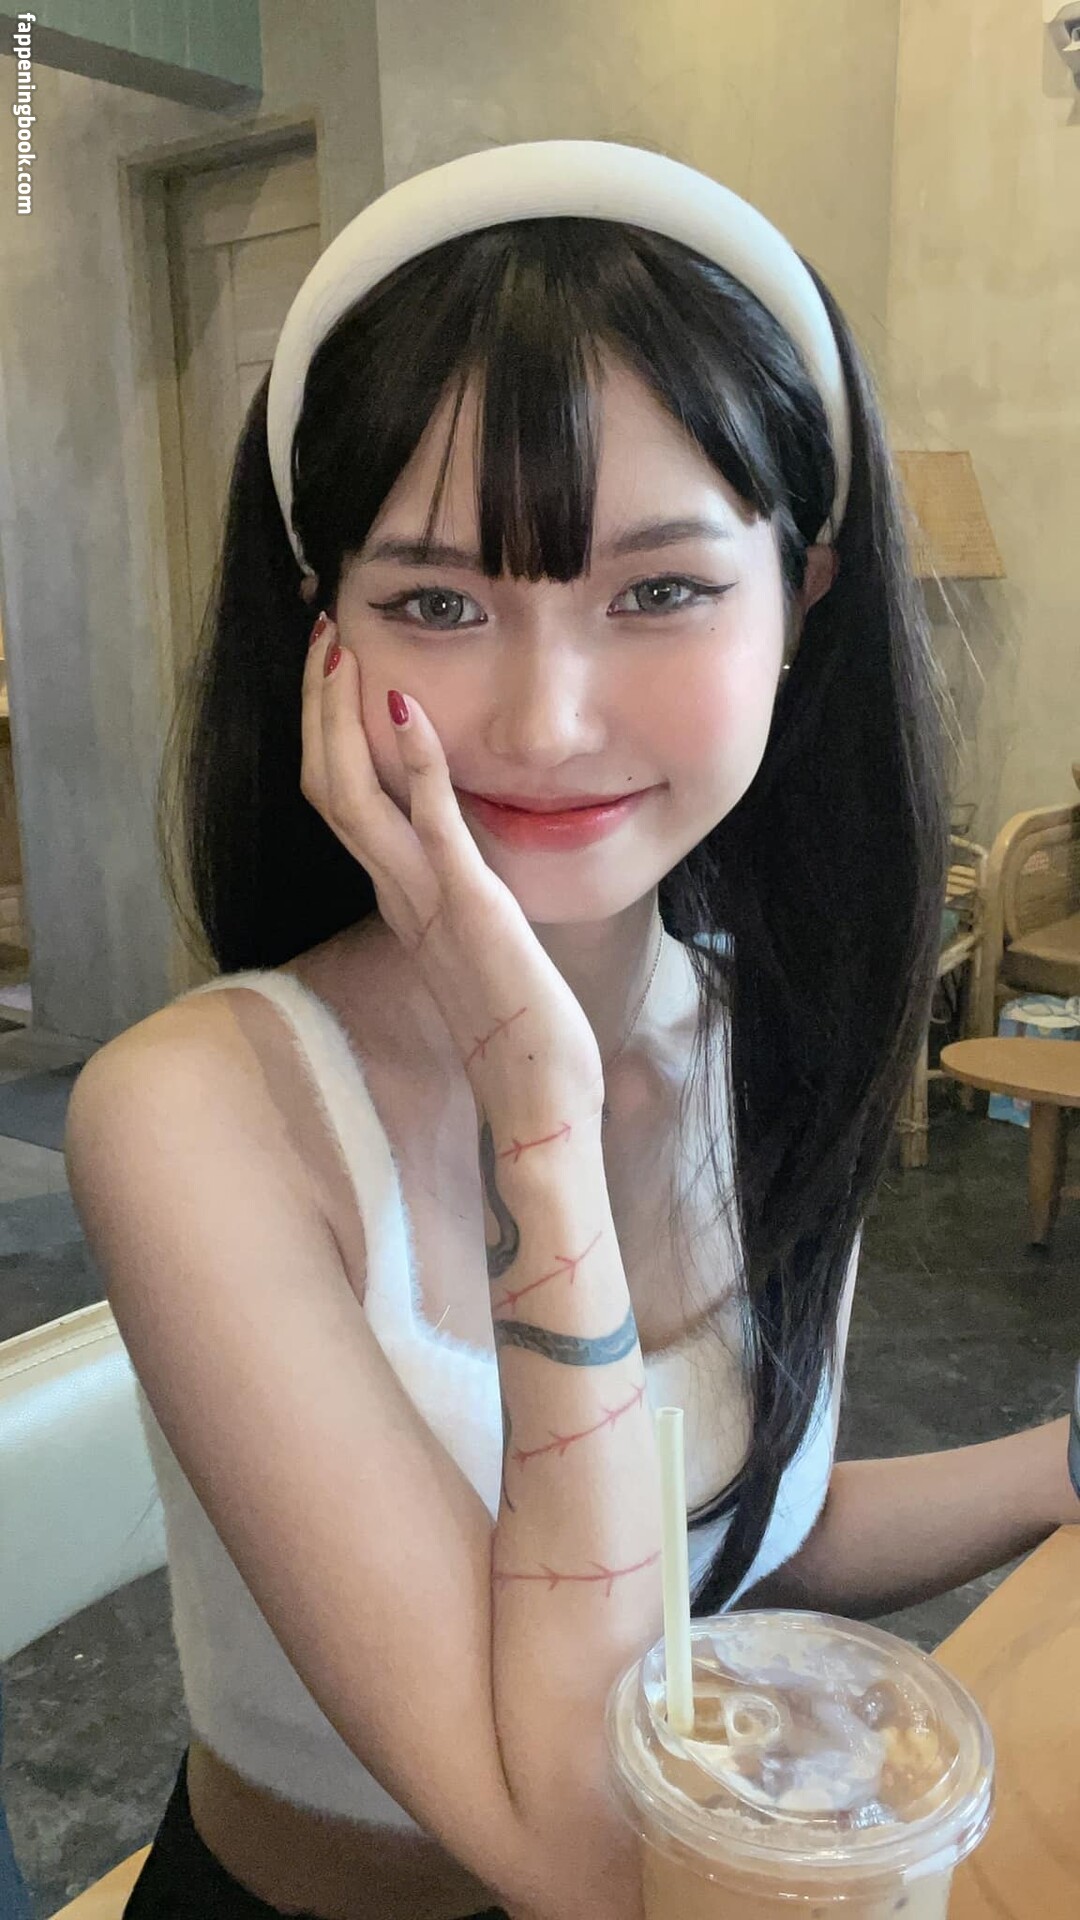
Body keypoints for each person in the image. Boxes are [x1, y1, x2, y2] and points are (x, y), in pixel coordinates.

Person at [62, 140, 1080, 1920]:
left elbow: (735, 1546)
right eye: (436, 603)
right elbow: (582, 1844)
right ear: (321, 631)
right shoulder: (194, 1116)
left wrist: (1064, 1464)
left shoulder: (772, 1038)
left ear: (802, 599)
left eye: (660, 591)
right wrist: (538, 1103)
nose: (542, 719)